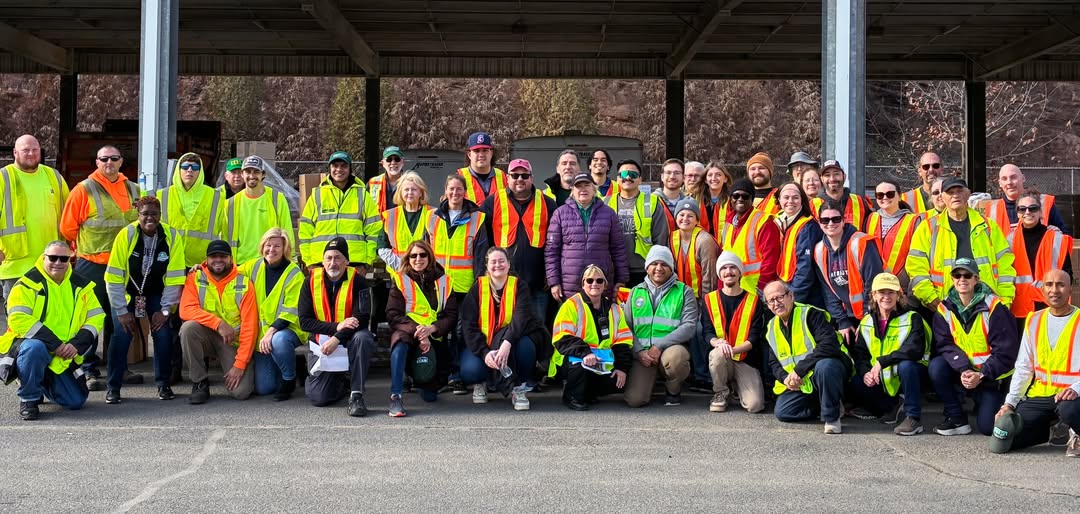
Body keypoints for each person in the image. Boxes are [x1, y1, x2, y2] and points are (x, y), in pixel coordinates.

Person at [60, 144, 143, 390]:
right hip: (91, 265)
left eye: (113, 158)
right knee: (91, 319)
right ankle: (88, 370)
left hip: (123, 267)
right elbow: (67, 228)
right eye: (103, 158)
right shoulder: (83, 190)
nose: (109, 162)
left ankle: (119, 370)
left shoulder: (134, 189)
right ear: (96, 162)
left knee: (121, 320)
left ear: (121, 162)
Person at [0, 241, 103, 420]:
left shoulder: (81, 286)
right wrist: (56, 345)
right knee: (34, 349)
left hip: (64, 354)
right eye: (53, 258)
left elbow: (96, 317)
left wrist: (75, 346)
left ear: (70, 260)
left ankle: (38, 380)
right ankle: (29, 398)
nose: (58, 262)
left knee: (76, 401)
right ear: (43, 258)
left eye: (63, 258)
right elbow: (18, 319)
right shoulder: (26, 284)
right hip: (35, 347)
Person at [103, 196, 185, 403]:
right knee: (122, 334)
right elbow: (113, 276)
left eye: (154, 214)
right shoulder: (127, 235)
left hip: (157, 292)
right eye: (145, 214)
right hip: (128, 292)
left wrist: (165, 310)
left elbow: (175, 277)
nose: (150, 218)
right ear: (138, 215)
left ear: (160, 215)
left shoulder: (171, 236)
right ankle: (113, 387)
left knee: (163, 333)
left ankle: (163, 384)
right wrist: (122, 311)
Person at [993, 269, 1080, 456]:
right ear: (1042, 289)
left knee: (1069, 409)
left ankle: (1075, 432)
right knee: (1004, 440)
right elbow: (1024, 366)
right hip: (1041, 395)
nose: (1054, 290)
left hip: (1073, 398)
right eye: (1049, 284)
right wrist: (1009, 404)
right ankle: (1053, 431)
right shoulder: (1034, 320)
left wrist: (1077, 388)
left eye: (1060, 285)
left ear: (1070, 289)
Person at [928, 258, 1018, 436]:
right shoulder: (944, 308)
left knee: (987, 428)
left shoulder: (995, 308)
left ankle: (989, 401)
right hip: (964, 371)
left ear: (977, 278)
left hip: (992, 377)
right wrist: (963, 369)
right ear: (952, 279)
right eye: (957, 275)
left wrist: (981, 374)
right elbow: (945, 344)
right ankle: (956, 417)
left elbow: (1006, 353)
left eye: (967, 275)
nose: (962, 279)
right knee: (936, 366)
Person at [460, 247, 549, 412]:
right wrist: (484, 352)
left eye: (502, 261)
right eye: (493, 262)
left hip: (512, 341)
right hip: (484, 343)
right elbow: (468, 325)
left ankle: (518, 387)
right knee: (470, 370)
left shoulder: (519, 286)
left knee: (526, 347)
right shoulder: (477, 288)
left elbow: (521, 320)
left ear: (509, 264)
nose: (498, 265)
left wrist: (506, 344)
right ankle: (482, 383)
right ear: (487, 266)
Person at [907, 177, 1016, 310]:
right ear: (942, 197)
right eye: (950, 192)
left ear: (968, 194)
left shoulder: (988, 226)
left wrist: (1004, 301)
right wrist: (931, 299)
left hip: (986, 304)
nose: (955, 195)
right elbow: (916, 267)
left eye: (959, 191)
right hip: (944, 305)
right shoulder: (927, 228)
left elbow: (1005, 265)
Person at [298, 237, 376, 415]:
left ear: (347, 261)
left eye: (338, 257)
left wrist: (337, 338)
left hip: (348, 340)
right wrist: (337, 327)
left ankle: (356, 395)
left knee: (363, 337)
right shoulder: (310, 281)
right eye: (329, 258)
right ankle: (341, 381)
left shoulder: (358, 280)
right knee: (318, 398)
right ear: (323, 261)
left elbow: (362, 319)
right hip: (321, 344)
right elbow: (304, 321)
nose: (333, 263)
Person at [763, 280, 851, 434]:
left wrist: (799, 371)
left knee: (826, 366)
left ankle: (832, 417)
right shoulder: (771, 327)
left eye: (779, 297)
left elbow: (828, 345)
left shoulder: (811, 314)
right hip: (802, 382)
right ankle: (827, 403)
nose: (776, 303)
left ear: (791, 296)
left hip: (825, 372)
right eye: (771, 300)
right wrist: (785, 379)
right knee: (783, 412)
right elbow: (773, 362)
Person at [849, 273, 930, 436]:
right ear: (874, 295)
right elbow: (860, 355)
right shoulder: (867, 322)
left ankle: (912, 417)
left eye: (891, 292)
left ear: (899, 295)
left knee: (907, 366)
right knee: (856, 380)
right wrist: (866, 373)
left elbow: (914, 349)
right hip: (882, 379)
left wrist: (881, 362)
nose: (886, 297)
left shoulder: (912, 317)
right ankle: (893, 406)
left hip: (911, 374)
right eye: (882, 292)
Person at [178, 240, 258, 404]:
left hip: (232, 342)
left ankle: (240, 367)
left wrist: (240, 365)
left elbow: (250, 327)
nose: (218, 260)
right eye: (213, 256)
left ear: (231, 258)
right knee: (188, 329)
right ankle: (199, 382)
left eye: (223, 256)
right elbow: (185, 310)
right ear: (206, 260)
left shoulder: (244, 283)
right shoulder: (195, 277)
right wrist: (219, 324)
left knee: (241, 392)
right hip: (206, 335)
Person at [479, 158, 558, 324]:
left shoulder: (547, 203)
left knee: (538, 330)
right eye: (515, 176)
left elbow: (556, 244)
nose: (519, 179)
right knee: (504, 328)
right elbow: (482, 243)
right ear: (507, 178)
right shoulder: (492, 202)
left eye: (524, 175)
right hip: (502, 283)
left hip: (537, 285)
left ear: (532, 177)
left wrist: (551, 275)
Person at [623, 246, 698, 407]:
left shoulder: (684, 291)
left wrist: (659, 346)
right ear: (647, 267)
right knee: (634, 400)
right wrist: (638, 351)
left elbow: (689, 326)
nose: (659, 268)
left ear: (671, 268)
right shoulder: (635, 291)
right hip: (643, 354)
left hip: (669, 351)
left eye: (664, 264)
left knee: (676, 359)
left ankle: (673, 389)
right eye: (654, 263)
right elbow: (625, 327)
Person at [549, 265, 632, 410]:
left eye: (599, 280)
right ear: (583, 283)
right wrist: (585, 353)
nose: (594, 284)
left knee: (620, 379)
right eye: (589, 280)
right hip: (573, 357)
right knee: (581, 367)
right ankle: (572, 397)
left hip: (602, 360)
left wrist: (622, 368)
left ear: (605, 284)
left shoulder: (615, 309)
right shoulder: (571, 305)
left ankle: (588, 393)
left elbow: (623, 341)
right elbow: (562, 338)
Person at [386, 240, 458, 409]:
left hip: (434, 335)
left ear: (429, 257)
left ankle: (417, 378)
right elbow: (392, 315)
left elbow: (452, 315)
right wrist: (419, 332)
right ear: (408, 259)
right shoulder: (400, 280)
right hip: (408, 332)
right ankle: (395, 395)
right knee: (399, 344)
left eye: (422, 255)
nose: (418, 259)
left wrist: (432, 329)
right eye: (413, 256)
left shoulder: (445, 281)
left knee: (430, 396)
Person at [237, 228, 307, 401]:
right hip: (262, 337)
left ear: (285, 249)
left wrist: (270, 333)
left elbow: (290, 311)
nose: (272, 250)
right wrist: (202, 267)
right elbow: (229, 272)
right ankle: (292, 364)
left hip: (288, 330)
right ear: (262, 246)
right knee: (265, 388)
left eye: (277, 246)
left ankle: (289, 378)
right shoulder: (253, 266)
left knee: (279, 341)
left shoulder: (294, 273)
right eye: (268, 245)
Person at [0, 135, 69, 300]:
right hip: (16, 263)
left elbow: (70, 213)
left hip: (52, 263)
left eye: (35, 150)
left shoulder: (54, 177)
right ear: (15, 153)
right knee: (19, 318)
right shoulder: (4, 177)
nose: (31, 153)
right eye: (25, 150)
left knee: (50, 318)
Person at [545, 173, 629, 302]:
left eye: (587, 185)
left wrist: (621, 279)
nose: (583, 189)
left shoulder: (609, 214)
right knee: (572, 320)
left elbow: (618, 249)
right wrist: (553, 282)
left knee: (600, 320)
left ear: (594, 189)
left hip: (600, 283)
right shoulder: (560, 214)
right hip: (569, 285)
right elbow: (552, 251)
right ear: (572, 190)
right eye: (578, 186)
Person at [703, 252, 766, 413]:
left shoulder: (754, 301)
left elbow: (754, 338)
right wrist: (717, 343)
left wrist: (732, 350)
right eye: (724, 268)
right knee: (716, 355)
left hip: (744, 359)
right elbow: (707, 332)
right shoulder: (709, 299)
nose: (728, 271)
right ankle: (721, 392)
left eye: (732, 267)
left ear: (739, 272)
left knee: (755, 405)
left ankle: (737, 386)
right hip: (721, 356)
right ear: (719, 274)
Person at [299, 151, 381, 271]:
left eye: (343, 166)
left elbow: (374, 231)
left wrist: (367, 262)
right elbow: (305, 230)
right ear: (329, 169)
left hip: (354, 262)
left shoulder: (362, 195)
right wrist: (309, 261)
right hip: (321, 262)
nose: (339, 169)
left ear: (350, 169)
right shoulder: (317, 194)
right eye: (335, 166)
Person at [814, 202, 883, 344]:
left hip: (877, 311)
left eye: (836, 219)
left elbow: (873, 284)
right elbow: (828, 291)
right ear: (819, 223)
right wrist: (842, 321)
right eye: (825, 220)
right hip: (847, 317)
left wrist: (867, 317)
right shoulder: (819, 250)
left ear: (844, 220)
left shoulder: (862, 242)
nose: (830, 223)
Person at [670, 198, 719, 391]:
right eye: (681, 215)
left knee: (698, 331)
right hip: (678, 297)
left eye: (690, 215)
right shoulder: (672, 238)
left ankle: (703, 375)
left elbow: (709, 276)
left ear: (697, 219)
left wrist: (705, 306)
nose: (685, 218)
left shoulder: (704, 240)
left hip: (700, 298)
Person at [1008, 192, 1073, 326]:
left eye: (1033, 208)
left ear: (1040, 211)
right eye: (1022, 209)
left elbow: (1067, 275)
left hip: (1051, 306)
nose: (1027, 212)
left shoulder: (1056, 238)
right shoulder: (1009, 240)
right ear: (1017, 213)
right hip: (1020, 310)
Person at [159, 152, 227, 268]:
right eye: (185, 167)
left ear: (200, 172)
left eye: (195, 167)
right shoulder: (162, 195)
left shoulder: (216, 196)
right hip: (169, 259)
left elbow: (225, 231)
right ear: (178, 170)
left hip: (202, 263)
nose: (189, 170)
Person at [607, 159, 669, 287]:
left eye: (633, 175)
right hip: (614, 269)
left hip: (644, 269)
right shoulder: (605, 202)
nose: (628, 177)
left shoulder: (653, 202)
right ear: (617, 179)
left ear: (640, 179)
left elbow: (661, 239)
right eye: (623, 175)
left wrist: (656, 266)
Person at [224, 155, 294, 264]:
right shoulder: (231, 203)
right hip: (242, 265)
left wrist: (289, 260)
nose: (252, 176)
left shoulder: (276, 199)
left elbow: (287, 232)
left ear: (263, 175)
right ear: (242, 174)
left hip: (270, 262)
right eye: (248, 172)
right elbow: (225, 238)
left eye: (256, 172)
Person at [721, 178, 781, 293]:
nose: (740, 199)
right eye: (736, 196)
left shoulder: (764, 222)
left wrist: (762, 289)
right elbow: (723, 259)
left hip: (755, 291)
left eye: (745, 196)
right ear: (731, 199)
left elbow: (770, 261)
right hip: (731, 290)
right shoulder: (728, 224)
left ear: (752, 199)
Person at [774, 182, 824, 308]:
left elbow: (805, 270)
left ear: (802, 200)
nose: (790, 201)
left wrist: (792, 300)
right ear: (779, 199)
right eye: (786, 197)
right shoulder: (777, 222)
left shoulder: (808, 227)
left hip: (805, 297)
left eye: (795, 197)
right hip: (784, 290)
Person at [986, 164, 1069, 236]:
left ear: (1023, 178)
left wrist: (1057, 235)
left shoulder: (1044, 202)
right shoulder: (992, 209)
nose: (1009, 182)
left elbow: (1064, 236)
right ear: (1000, 183)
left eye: (1013, 177)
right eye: (1004, 179)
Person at [866, 180, 921, 286]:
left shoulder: (914, 220)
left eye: (890, 194)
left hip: (902, 285)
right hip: (874, 283)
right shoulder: (870, 218)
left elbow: (917, 255)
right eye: (880, 195)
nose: (885, 198)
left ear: (899, 196)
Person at [377, 171, 432, 273]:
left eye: (414, 189)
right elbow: (382, 247)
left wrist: (420, 266)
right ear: (400, 193)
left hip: (426, 274)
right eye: (406, 189)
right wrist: (403, 266)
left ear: (421, 192)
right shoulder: (391, 216)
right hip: (398, 275)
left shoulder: (433, 214)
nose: (410, 193)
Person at [811, 160, 873, 231]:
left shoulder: (860, 202)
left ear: (844, 176)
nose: (832, 179)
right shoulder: (812, 205)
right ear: (822, 179)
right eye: (827, 175)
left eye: (836, 174)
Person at [457, 132, 506, 205]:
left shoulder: (502, 177)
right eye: (476, 151)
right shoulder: (459, 177)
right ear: (469, 155)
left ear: (491, 153)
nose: (481, 155)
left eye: (485, 150)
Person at [368, 146, 407, 213]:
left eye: (397, 159)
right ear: (383, 163)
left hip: (402, 223)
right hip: (379, 223)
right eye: (389, 159)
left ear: (403, 162)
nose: (393, 162)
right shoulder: (373, 183)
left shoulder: (411, 182)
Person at [702, 161, 732, 239]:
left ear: (725, 179)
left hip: (726, 245)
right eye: (710, 175)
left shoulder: (732, 201)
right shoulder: (697, 200)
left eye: (718, 175)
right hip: (702, 244)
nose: (714, 178)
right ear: (705, 179)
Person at [656, 158, 687, 230]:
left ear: (683, 177)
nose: (672, 176)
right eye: (668, 172)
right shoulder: (651, 202)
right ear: (662, 177)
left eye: (677, 173)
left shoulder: (690, 203)